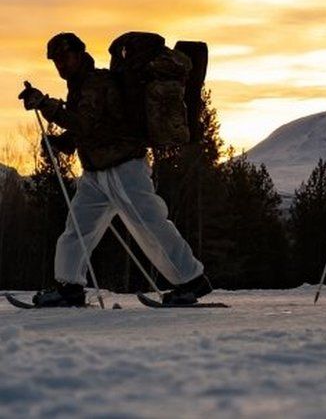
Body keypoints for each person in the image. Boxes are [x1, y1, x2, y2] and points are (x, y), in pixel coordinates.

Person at [17, 32, 212, 306]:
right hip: (96, 173)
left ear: (79, 54)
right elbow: (88, 128)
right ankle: (69, 287)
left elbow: (84, 122)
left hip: (123, 167)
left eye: (64, 58)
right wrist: (61, 141)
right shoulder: (80, 85)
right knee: (77, 230)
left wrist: (45, 104)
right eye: (56, 61)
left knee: (149, 225)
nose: (60, 65)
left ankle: (192, 281)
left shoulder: (97, 82)